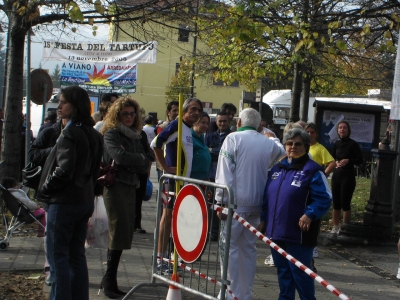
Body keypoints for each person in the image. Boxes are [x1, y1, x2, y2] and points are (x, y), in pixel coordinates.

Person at [37, 86, 103, 300]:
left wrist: (46, 188)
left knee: (59, 259)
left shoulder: (70, 133)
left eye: (63, 102)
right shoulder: (93, 134)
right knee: (76, 256)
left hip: (64, 201)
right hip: (84, 200)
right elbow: (94, 170)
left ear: (75, 106)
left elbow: (64, 169)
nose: (59, 106)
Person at [215, 108, 285, 300]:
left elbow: (224, 171)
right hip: (256, 204)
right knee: (248, 248)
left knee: (228, 248)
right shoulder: (266, 142)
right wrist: (272, 137)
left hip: (234, 204)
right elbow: (282, 152)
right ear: (260, 125)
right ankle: (245, 293)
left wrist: (220, 201)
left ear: (238, 122)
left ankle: (229, 293)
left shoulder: (232, 139)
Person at [258, 128, 332, 300]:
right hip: (276, 233)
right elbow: (267, 198)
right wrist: (263, 219)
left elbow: (325, 198)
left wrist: (310, 214)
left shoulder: (313, 170)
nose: (293, 147)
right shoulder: (277, 169)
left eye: (298, 144)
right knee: (283, 274)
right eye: (289, 144)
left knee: (301, 275)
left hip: (299, 234)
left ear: (305, 146)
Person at [99, 96, 151, 298]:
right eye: (125, 114)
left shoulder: (137, 135)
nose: (129, 117)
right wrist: (136, 159)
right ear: (117, 114)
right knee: (117, 232)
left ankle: (109, 278)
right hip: (115, 186)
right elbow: (119, 157)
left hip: (132, 186)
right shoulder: (112, 133)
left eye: (132, 113)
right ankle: (109, 279)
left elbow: (147, 159)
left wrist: (135, 159)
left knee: (123, 233)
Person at [151, 98, 202, 274]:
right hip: (172, 181)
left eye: (199, 111)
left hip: (183, 182)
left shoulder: (188, 129)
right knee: (168, 216)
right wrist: (165, 167)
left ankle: (169, 259)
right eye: (193, 109)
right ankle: (160, 259)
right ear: (184, 110)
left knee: (176, 220)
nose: (196, 113)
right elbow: (156, 143)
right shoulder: (176, 125)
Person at [330, 120, 363, 233]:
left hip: (348, 176)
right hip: (337, 175)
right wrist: (336, 163)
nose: (342, 129)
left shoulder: (353, 144)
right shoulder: (337, 144)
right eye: (340, 128)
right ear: (338, 131)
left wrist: (349, 161)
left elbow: (360, 160)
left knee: (345, 202)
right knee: (336, 202)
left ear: (348, 130)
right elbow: (332, 158)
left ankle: (345, 227)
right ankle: (335, 226)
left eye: (344, 128)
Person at [206, 111, 232, 241]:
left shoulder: (231, 137)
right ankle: (212, 232)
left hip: (225, 178)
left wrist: (214, 152)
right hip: (211, 176)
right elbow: (207, 154)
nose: (222, 123)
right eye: (219, 121)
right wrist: (218, 152)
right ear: (216, 122)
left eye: (224, 121)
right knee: (211, 206)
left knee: (224, 206)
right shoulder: (210, 137)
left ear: (229, 122)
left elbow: (227, 155)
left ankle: (223, 232)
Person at [134, 129, 156, 234]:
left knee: (138, 200)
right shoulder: (116, 132)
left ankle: (136, 224)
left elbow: (150, 152)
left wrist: (145, 160)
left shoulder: (141, 133)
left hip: (140, 172)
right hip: (126, 173)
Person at [155, 100, 179, 180]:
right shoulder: (162, 127)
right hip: (164, 166)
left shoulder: (181, 127)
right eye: (174, 110)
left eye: (179, 110)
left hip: (176, 166)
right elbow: (158, 145)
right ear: (168, 112)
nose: (177, 113)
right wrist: (165, 167)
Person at [191, 112, 211, 180]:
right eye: (203, 122)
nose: (205, 125)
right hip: (193, 180)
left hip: (204, 179)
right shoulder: (190, 139)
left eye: (207, 123)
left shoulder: (202, 139)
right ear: (195, 122)